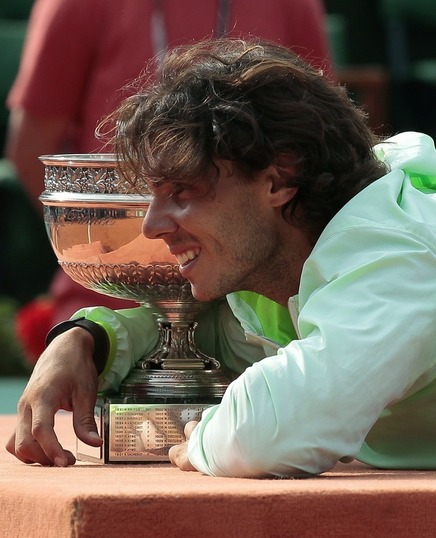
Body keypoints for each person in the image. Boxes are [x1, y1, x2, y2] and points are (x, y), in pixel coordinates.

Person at [9, 37, 436, 479]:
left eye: (182, 190)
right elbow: (214, 335)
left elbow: (268, 439)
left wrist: (203, 438)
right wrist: (86, 339)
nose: (151, 226)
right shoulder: (285, 268)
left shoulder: (396, 253)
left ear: (279, 178)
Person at [5, 0, 332, 326]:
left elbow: (317, 136)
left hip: (255, 304)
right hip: (108, 300)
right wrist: (116, 243)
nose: (153, 225)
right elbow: (31, 151)